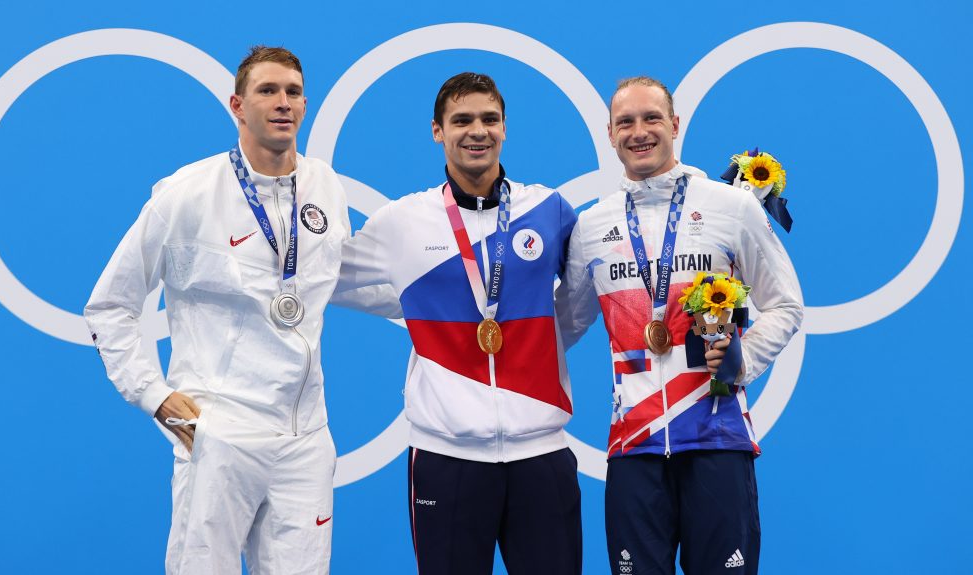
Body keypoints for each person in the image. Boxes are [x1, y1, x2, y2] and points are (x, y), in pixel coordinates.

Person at [85, 46, 348, 575]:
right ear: (237, 105)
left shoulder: (325, 185)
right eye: (267, 91)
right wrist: (152, 394)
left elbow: (345, 278)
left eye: (293, 92)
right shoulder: (186, 194)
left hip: (305, 440)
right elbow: (111, 304)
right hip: (219, 433)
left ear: (305, 105)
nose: (283, 102)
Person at [334, 72, 582, 574]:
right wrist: (415, 306)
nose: (477, 131)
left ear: (505, 127)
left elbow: (581, 297)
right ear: (437, 131)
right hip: (445, 456)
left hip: (540, 452)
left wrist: (545, 344)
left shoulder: (548, 210)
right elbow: (329, 279)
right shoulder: (404, 220)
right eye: (462, 120)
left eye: (490, 119)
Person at [555, 77, 804, 575]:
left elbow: (786, 305)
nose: (639, 132)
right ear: (610, 133)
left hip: (717, 438)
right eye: (626, 122)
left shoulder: (730, 207)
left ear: (674, 124)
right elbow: (562, 326)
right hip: (634, 444)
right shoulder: (591, 226)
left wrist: (742, 362)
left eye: (651, 118)